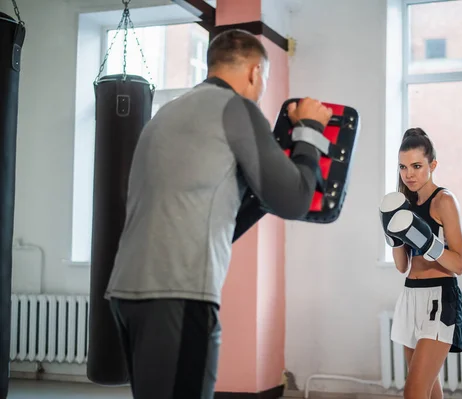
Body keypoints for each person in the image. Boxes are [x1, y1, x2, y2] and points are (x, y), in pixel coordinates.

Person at [103, 29, 333, 399]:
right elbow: (294, 200)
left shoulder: (169, 112)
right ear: (255, 72)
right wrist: (309, 129)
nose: (259, 91)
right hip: (177, 294)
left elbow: (219, 213)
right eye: (263, 82)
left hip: (127, 293)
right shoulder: (237, 109)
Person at [379, 128, 462, 399]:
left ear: (432, 165)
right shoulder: (404, 204)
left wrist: (430, 244)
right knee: (428, 390)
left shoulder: (444, 201)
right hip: (410, 297)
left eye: (417, 166)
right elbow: (402, 265)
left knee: (414, 392)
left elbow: (459, 264)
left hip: (439, 299)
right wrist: (391, 236)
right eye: (403, 167)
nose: (409, 174)